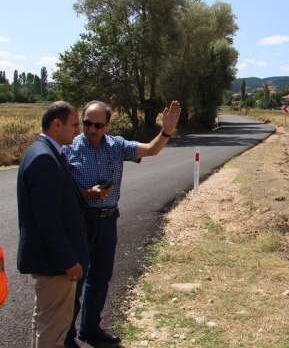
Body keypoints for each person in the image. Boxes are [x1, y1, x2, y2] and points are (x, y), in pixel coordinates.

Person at [64, 100, 181, 347]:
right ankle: (66, 336)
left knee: (101, 277)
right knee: (76, 280)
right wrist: (87, 194)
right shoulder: (69, 148)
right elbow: (60, 189)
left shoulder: (117, 145)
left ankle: (90, 329)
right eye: (86, 123)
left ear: (107, 125)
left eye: (97, 125)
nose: (91, 129)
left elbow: (151, 149)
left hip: (108, 220)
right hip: (80, 221)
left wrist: (166, 130)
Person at [16, 101, 88, 348]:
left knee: (45, 322)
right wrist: (68, 260)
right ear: (57, 124)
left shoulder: (42, 151)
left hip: (50, 261)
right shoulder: (44, 158)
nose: (78, 131)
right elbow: (47, 220)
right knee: (54, 330)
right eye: (75, 124)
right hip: (54, 264)